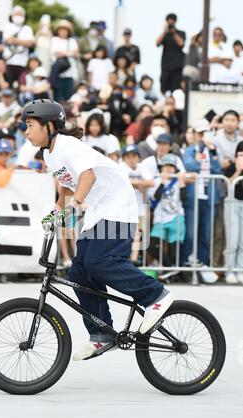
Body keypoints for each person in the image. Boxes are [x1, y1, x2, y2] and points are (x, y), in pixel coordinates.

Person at [22, 98, 173, 360]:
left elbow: (87, 176)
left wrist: (75, 206)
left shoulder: (69, 145)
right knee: (79, 269)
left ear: (48, 126)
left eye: (30, 124)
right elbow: (67, 185)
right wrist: (58, 210)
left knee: (100, 262)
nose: (26, 130)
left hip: (118, 205)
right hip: (99, 211)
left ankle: (155, 295)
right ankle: (102, 333)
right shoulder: (49, 153)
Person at [181, 119, 221, 276]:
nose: (203, 136)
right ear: (195, 134)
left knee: (206, 234)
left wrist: (213, 152)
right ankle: (184, 265)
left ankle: (203, 266)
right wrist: (198, 159)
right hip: (193, 197)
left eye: (205, 133)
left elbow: (218, 172)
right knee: (190, 234)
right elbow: (190, 167)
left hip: (209, 197)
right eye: (200, 133)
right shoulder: (190, 150)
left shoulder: (212, 151)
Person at [213, 110, 243, 268]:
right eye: (227, 119)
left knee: (239, 236)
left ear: (238, 123)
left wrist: (231, 161)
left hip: (239, 193)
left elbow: (230, 162)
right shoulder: (216, 139)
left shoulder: (242, 140)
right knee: (219, 232)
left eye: (233, 120)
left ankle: (235, 268)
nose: (230, 123)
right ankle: (219, 267)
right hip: (221, 190)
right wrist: (233, 162)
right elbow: (219, 163)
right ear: (222, 121)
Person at [149, 154, 186, 269]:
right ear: (161, 168)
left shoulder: (179, 181)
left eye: (171, 166)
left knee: (174, 250)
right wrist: (163, 182)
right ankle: (170, 268)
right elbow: (156, 197)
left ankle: (172, 271)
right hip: (160, 218)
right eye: (166, 166)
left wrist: (181, 184)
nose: (169, 169)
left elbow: (184, 200)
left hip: (176, 218)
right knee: (152, 246)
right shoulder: (157, 181)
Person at [120, 144, 154, 265]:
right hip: (123, 206)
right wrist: (140, 184)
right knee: (123, 233)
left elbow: (151, 182)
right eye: (128, 156)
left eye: (134, 156)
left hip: (138, 206)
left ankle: (133, 259)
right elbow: (122, 182)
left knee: (137, 233)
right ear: (124, 158)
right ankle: (124, 257)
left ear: (138, 157)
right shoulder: (121, 167)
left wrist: (136, 183)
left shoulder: (141, 167)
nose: (131, 159)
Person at [223, 141, 243, 284]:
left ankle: (239, 269)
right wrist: (238, 170)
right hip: (232, 203)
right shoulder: (231, 167)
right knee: (232, 240)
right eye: (241, 154)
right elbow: (227, 184)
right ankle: (229, 271)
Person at [3, 5, 35, 87]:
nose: (18, 16)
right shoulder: (8, 27)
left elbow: (30, 43)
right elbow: (9, 40)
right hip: (10, 62)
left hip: (23, 63)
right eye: (16, 14)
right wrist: (24, 42)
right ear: (12, 16)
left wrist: (15, 40)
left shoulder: (28, 28)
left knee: (22, 86)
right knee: (9, 86)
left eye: (20, 14)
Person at [156, 13, 186, 93]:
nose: (170, 22)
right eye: (169, 20)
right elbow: (157, 43)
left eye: (172, 20)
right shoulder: (165, 34)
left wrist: (174, 32)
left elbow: (181, 44)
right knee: (163, 87)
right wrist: (165, 31)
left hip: (177, 66)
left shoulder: (181, 33)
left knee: (176, 89)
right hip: (165, 66)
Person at [50, 19, 79, 101]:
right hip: (58, 72)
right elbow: (55, 53)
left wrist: (64, 53)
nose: (63, 32)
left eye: (65, 30)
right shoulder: (54, 40)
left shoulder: (72, 41)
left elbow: (76, 53)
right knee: (57, 97)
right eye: (61, 30)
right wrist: (69, 53)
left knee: (68, 96)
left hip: (69, 73)